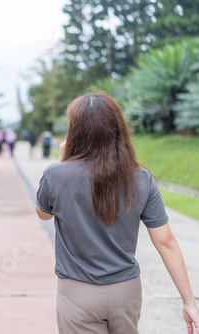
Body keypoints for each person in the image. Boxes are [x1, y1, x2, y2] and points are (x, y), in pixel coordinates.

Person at [35, 92, 199, 334]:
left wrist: (62, 163)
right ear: (118, 129)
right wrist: (189, 301)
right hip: (127, 291)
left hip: (77, 293)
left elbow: (44, 214)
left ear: (75, 133)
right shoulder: (141, 178)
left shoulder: (55, 174)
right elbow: (166, 243)